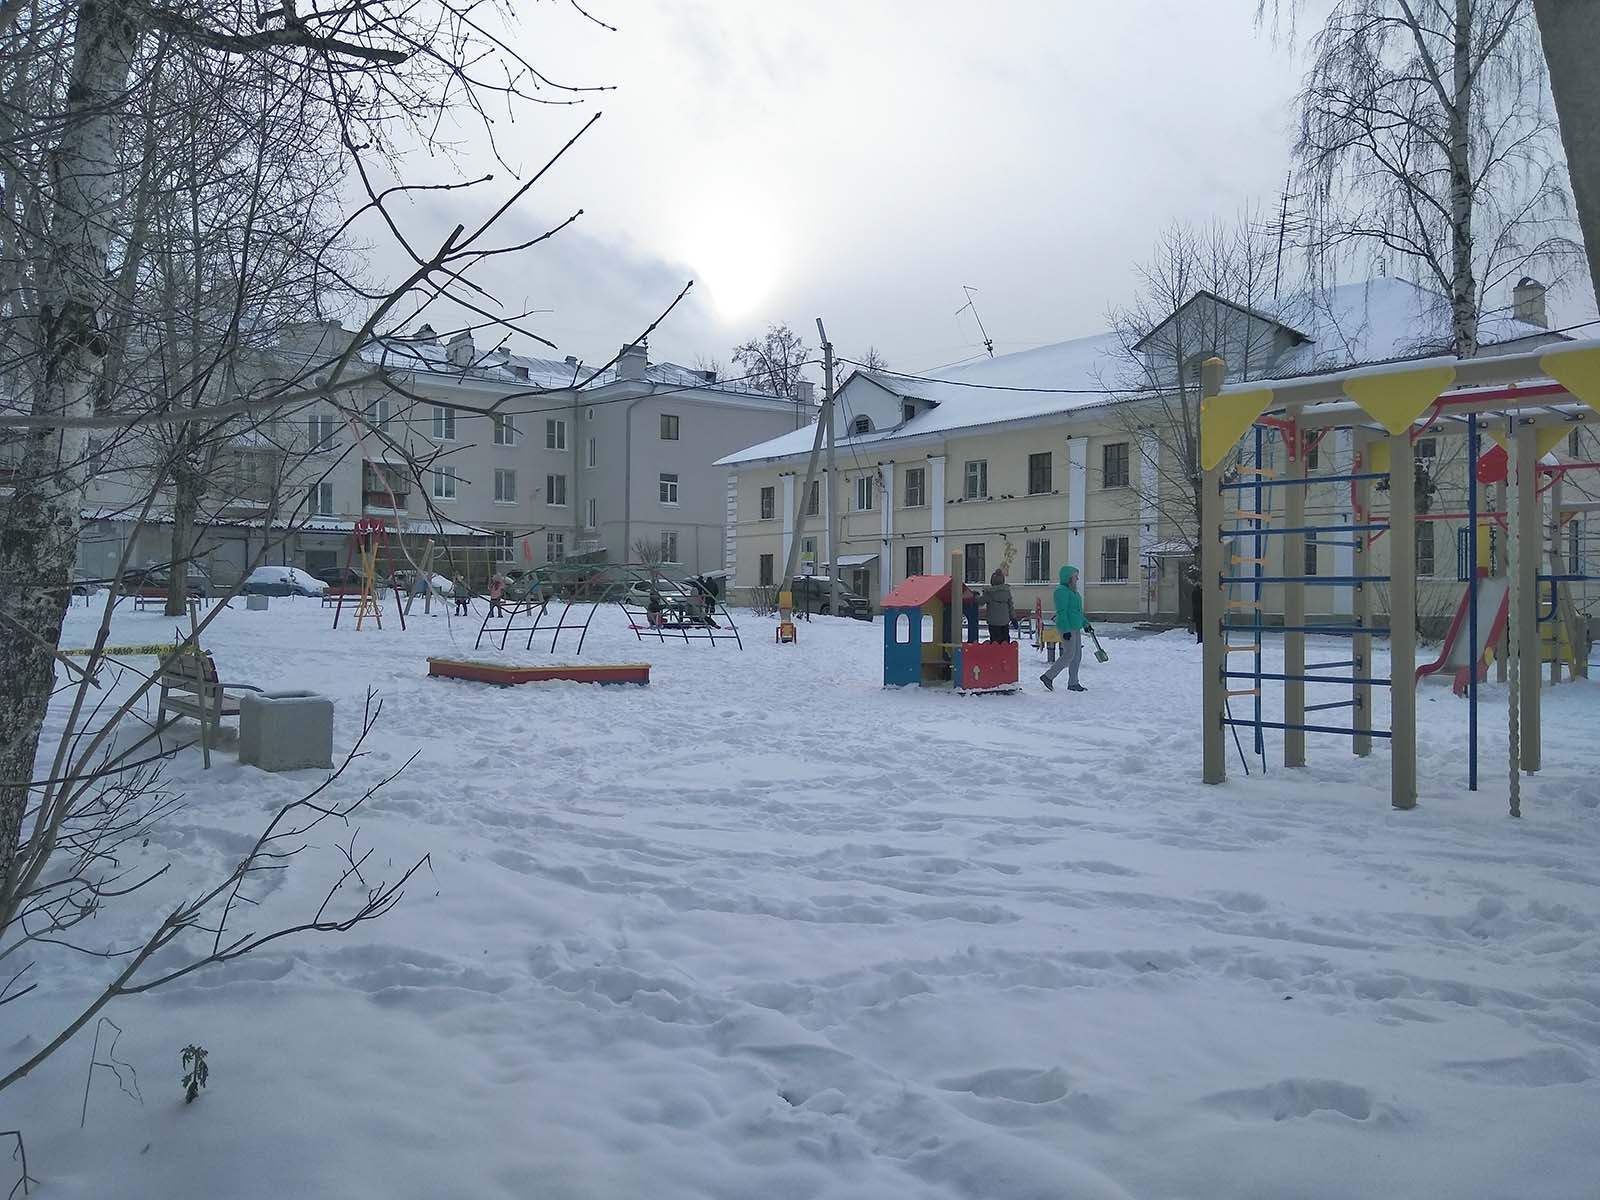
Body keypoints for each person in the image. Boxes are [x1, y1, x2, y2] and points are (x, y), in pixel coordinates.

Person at [1040, 564, 1090, 692]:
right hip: (1066, 627)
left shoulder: (1074, 593)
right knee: (1069, 654)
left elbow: (1077, 612)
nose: (1077, 579)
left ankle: (1073, 683)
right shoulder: (1061, 592)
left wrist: (1085, 624)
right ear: (1068, 578)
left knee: (1077, 656)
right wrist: (1066, 630)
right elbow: (1062, 612)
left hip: (1075, 626)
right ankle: (1048, 676)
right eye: (1075, 577)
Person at [982, 569, 1013, 644]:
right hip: (1005, 621)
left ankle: (996, 654)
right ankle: (1006, 654)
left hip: (993, 622)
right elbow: (1010, 606)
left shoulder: (989, 592)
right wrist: (1013, 617)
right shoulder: (1006, 591)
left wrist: (975, 597)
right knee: (1005, 641)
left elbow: (981, 602)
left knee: (995, 641)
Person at [1188, 565, 1203, 644]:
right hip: (1199, 612)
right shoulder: (1198, 592)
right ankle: (1200, 640)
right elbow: (1195, 603)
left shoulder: (1196, 591)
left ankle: (1200, 640)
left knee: (1200, 627)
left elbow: (1194, 603)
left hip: (1198, 612)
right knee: (1200, 627)